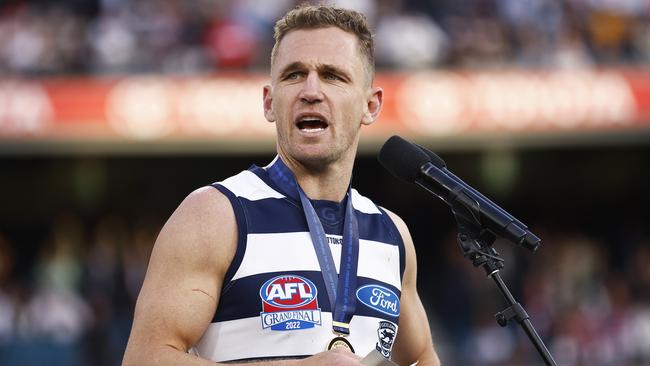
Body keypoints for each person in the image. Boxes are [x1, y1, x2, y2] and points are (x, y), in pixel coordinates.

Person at [123, 4, 440, 366]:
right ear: (270, 102)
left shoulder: (391, 233)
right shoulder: (216, 214)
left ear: (370, 105)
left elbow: (421, 357)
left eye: (333, 76)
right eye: (293, 75)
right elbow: (143, 358)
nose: (311, 90)